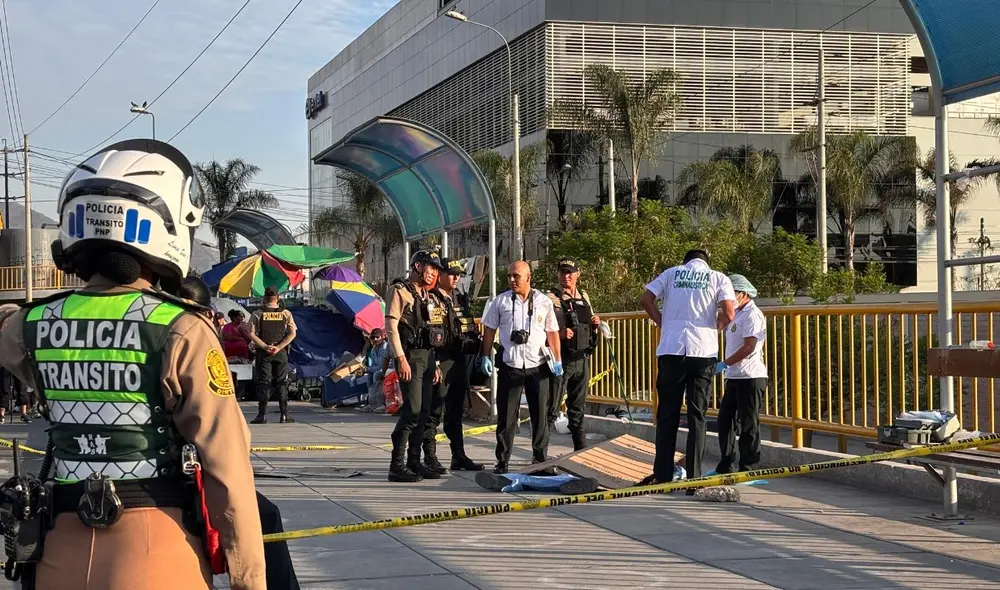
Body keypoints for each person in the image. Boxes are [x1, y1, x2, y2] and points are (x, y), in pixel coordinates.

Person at [0, 139, 265, 589]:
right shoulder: (179, 328)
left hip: (56, 554)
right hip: (154, 548)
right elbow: (227, 469)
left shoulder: (30, 324)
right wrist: (250, 579)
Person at [178, 276, 301, 590]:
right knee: (264, 517)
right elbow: (221, 431)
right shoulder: (190, 335)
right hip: (176, 475)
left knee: (268, 388)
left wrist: (264, 346)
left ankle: (272, 412)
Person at [638, 249, 735, 490]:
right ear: (705, 262)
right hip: (702, 352)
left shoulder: (671, 274)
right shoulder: (718, 277)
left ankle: (662, 475)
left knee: (667, 414)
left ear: (686, 262)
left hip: (672, 349)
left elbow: (646, 299)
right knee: (697, 416)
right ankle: (693, 478)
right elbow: (730, 312)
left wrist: (662, 321)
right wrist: (717, 327)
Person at [479, 260, 563, 474]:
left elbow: (552, 332)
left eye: (516, 275)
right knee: (507, 417)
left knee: (540, 415)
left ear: (528, 277)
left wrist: (557, 359)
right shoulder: (500, 302)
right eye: (509, 276)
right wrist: (484, 356)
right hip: (511, 364)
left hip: (538, 365)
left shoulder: (544, 302)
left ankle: (540, 458)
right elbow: (489, 330)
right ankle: (502, 460)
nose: (512, 279)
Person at [384, 250, 445, 482]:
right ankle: (396, 465)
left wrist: (436, 363)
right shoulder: (400, 291)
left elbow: (431, 332)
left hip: (427, 356)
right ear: (418, 267)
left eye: (436, 270)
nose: (434, 274)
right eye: (431, 268)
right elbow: (390, 326)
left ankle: (414, 461)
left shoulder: (427, 296)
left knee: (424, 412)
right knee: (413, 410)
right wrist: (400, 358)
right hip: (409, 357)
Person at [426, 258, 484, 472]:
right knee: (434, 410)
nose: (456, 277)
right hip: (442, 359)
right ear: (440, 274)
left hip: (460, 360)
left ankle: (458, 456)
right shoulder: (432, 298)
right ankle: (429, 457)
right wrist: (435, 363)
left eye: (458, 274)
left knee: (456, 411)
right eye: (451, 273)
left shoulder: (460, 298)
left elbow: (467, 325)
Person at [546, 258, 600, 451]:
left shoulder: (584, 295)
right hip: (562, 358)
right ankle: (541, 452)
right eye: (562, 272)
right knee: (552, 407)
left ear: (578, 274)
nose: (566, 276)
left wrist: (595, 322)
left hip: (582, 357)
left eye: (570, 272)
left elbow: (590, 321)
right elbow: (541, 327)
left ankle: (580, 448)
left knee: (578, 407)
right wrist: (560, 333)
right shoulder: (550, 297)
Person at [715, 274, 767, 474]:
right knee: (724, 421)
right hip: (734, 376)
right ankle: (725, 465)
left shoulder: (753, 315)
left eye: (732, 294)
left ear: (743, 294)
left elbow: (749, 347)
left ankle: (749, 467)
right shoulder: (735, 313)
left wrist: (725, 364)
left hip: (751, 377)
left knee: (748, 424)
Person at [247, 285, 298, 424]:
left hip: (264, 353)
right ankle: (284, 415)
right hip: (280, 353)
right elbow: (293, 333)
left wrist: (264, 346)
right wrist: (279, 347)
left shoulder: (258, 313)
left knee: (264, 382)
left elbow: (250, 332)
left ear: (264, 298)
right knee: (282, 382)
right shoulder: (285, 313)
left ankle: (262, 415)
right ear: (278, 298)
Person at [359, 328, 389, 412]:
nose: (375, 339)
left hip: (389, 369)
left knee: (377, 374)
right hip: (379, 369)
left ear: (382, 337)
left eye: (377, 337)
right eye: (373, 337)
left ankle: (380, 404)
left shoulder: (385, 348)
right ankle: (372, 403)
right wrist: (366, 369)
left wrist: (366, 369)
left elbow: (381, 366)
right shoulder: (373, 349)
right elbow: (373, 365)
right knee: (370, 375)